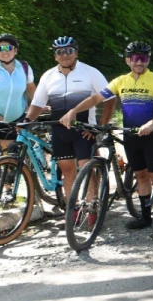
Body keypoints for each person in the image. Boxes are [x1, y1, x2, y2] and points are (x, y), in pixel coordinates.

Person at [60, 41, 153, 239]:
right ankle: (146, 217)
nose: (139, 62)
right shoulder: (120, 81)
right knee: (140, 177)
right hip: (131, 135)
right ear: (128, 60)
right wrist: (73, 111)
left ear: (148, 59)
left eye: (144, 58)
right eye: (135, 58)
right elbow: (96, 99)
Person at [27, 36, 113, 227]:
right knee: (67, 171)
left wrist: (101, 124)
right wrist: (25, 121)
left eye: (68, 51)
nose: (64, 55)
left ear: (76, 52)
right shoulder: (48, 76)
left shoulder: (90, 72)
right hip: (59, 130)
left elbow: (110, 98)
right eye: (60, 52)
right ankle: (72, 210)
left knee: (86, 168)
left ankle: (92, 206)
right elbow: (38, 104)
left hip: (84, 130)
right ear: (55, 56)